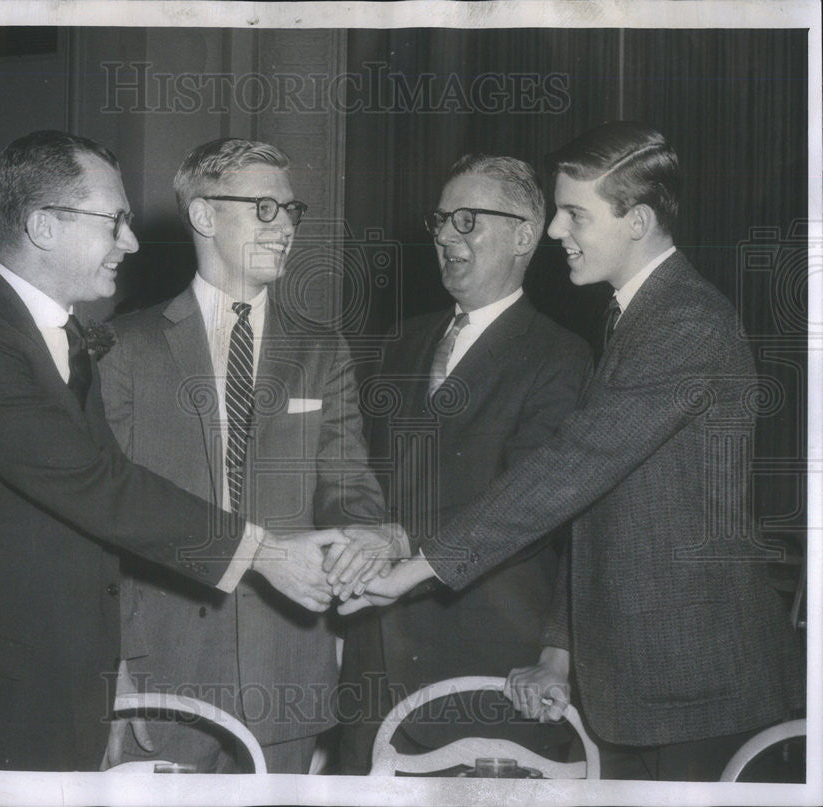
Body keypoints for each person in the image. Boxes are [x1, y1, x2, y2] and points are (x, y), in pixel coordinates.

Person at [0, 130, 347, 771]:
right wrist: (264, 551)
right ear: (43, 227)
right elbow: (96, 483)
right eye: (114, 222)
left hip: (44, 680)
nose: (132, 243)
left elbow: (101, 497)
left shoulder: (57, 337)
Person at [343, 122, 804, 781]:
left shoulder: (684, 322)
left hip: (694, 682)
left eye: (573, 214)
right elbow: (595, 508)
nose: (556, 231)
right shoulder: (634, 316)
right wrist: (559, 649)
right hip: (641, 682)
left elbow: (570, 468)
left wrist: (419, 565)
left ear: (638, 220)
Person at [98, 138, 402, 773]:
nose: (285, 226)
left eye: (292, 211)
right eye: (264, 208)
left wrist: (362, 532)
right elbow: (105, 519)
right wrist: (115, 667)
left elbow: (348, 483)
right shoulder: (123, 348)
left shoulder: (321, 349)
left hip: (287, 668)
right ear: (204, 216)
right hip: (163, 673)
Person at [338, 155, 591, 774]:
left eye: (468, 221)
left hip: (485, 664)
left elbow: (526, 503)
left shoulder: (561, 356)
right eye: (442, 220)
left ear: (526, 236)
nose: (446, 237)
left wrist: (398, 540)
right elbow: (365, 472)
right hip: (373, 663)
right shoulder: (402, 340)